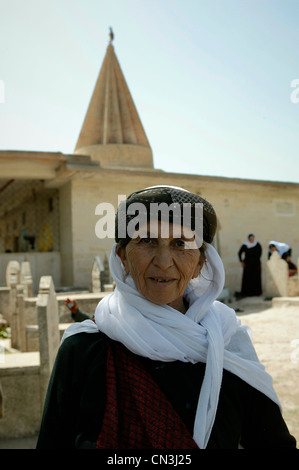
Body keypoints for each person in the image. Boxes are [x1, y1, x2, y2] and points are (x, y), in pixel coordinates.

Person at [36, 186, 296, 449]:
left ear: (200, 264)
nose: (163, 261)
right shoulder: (83, 350)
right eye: (147, 241)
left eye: (180, 244)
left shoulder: (229, 345)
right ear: (122, 257)